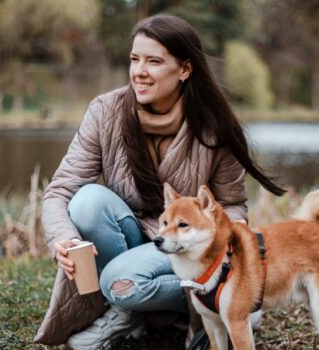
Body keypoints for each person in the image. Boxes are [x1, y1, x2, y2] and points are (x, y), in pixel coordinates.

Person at [33, 13, 285, 349]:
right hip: (134, 238)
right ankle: (129, 314)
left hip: (190, 247)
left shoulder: (216, 127)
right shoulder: (104, 112)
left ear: (184, 69)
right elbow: (59, 190)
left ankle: (228, 301)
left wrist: (222, 263)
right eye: (135, 59)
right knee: (87, 201)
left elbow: (232, 206)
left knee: (119, 281)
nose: (139, 71)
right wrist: (62, 239)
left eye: (154, 61)